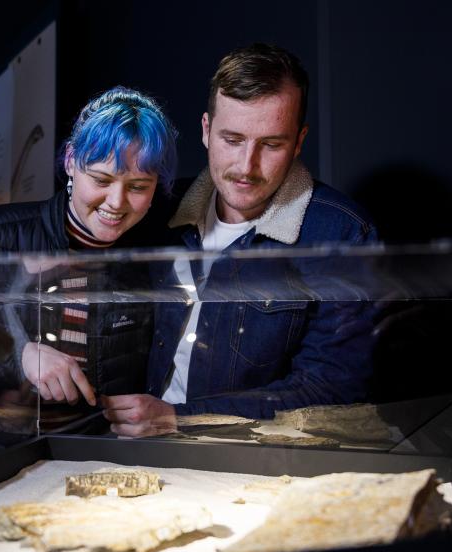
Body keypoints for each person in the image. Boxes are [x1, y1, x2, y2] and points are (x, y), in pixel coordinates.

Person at [101, 43, 379, 437]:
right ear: (206, 130)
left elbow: (333, 389)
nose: (247, 167)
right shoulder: (158, 209)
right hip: (133, 449)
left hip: (255, 461)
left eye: (271, 145)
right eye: (232, 140)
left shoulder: (341, 234)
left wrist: (178, 419)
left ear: (298, 143)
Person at [0, 86, 178, 414]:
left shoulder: (152, 254)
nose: (117, 202)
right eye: (101, 180)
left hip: (99, 459)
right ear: (71, 161)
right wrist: (17, 357)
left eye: (138, 187)